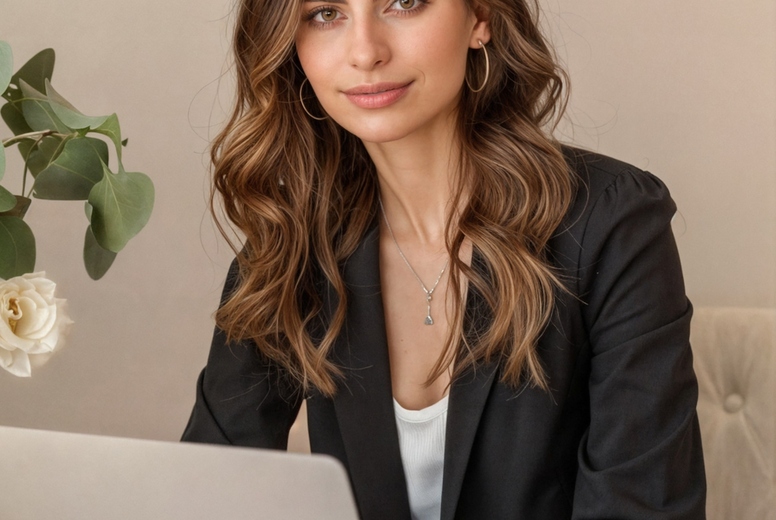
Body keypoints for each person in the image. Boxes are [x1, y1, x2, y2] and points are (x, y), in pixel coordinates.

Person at [182, 0, 707, 518]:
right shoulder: (294, 243)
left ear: (480, 18)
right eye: (326, 13)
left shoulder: (612, 222)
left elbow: (642, 505)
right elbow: (206, 489)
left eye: (405, 3)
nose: (366, 52)